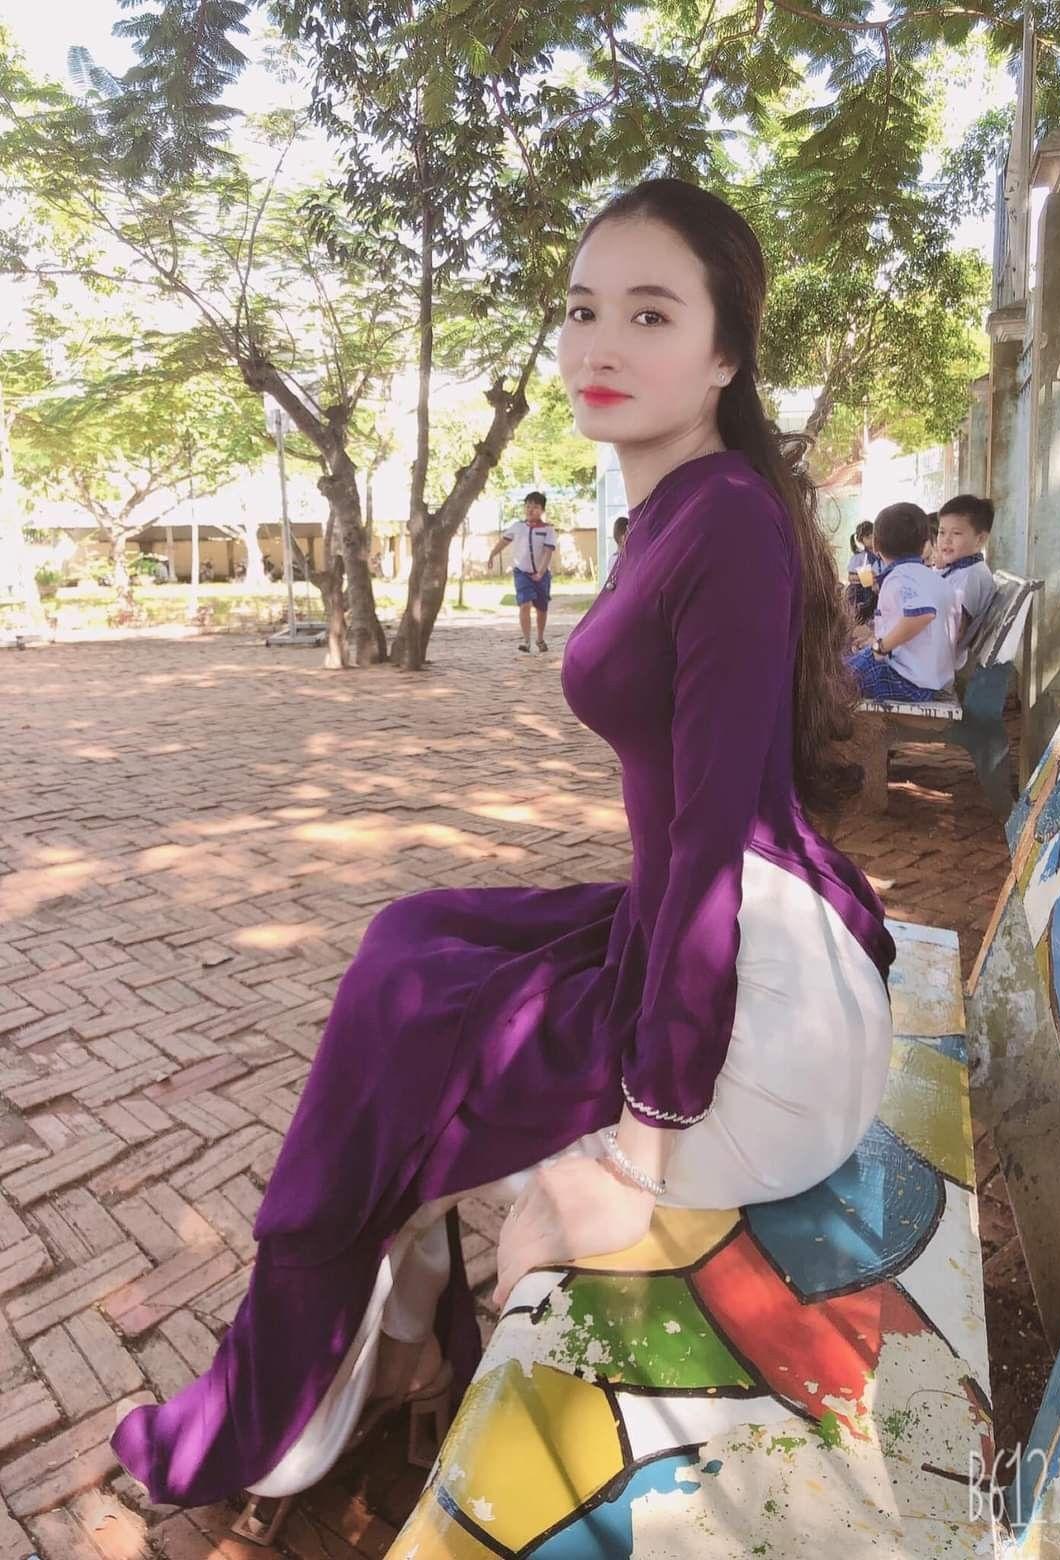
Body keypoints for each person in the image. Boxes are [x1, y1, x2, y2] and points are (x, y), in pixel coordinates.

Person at [111, 177, 896, 1527]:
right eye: (583, 310)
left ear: (725, 353)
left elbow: (712, 841)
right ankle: (392, 1342)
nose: (600, 345)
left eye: (650, 314)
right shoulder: (677, 505)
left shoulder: (726, 524)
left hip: (764, 1028)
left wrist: (650, 1134)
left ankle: (323, 1380)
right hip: (709, 924)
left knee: (411, 1031)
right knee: (409, 948)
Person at [847, 503, 955, 702]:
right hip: (931, 681)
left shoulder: (901, 576)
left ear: (876, 545)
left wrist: (880, 646)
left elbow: (923, 614)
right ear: (925, 544)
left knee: (837, 678)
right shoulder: (932, 577)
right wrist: (875, 640)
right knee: (852, 659)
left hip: (907, 683)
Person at [487, 493, 557, 652]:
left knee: (541, 608)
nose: (531, 510)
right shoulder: (517, 527)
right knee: (525, 604)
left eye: (535, 507)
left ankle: (540, 638)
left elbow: (548, 553)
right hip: (522, 573)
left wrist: (541, 573)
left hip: (542, 575)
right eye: (528, 506)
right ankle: (526, 641)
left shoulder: (548, 529)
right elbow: (503, 542)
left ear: (542, 510)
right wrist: (492, 555)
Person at [936, 494, 995, 668]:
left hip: (937, 666)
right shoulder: (960, 569)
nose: (946, 540)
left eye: (956, 533)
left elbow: (953, 631)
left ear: (980, 539)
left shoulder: (971, 576)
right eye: (941, 532)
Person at [845, 520, 881, 626]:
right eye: (868, 537)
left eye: (874, 535)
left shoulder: (883, 554)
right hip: (865, 591)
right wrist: (867, 578)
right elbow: (850, 577)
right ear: (861, 540)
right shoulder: (859, 557)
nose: (872, 539)